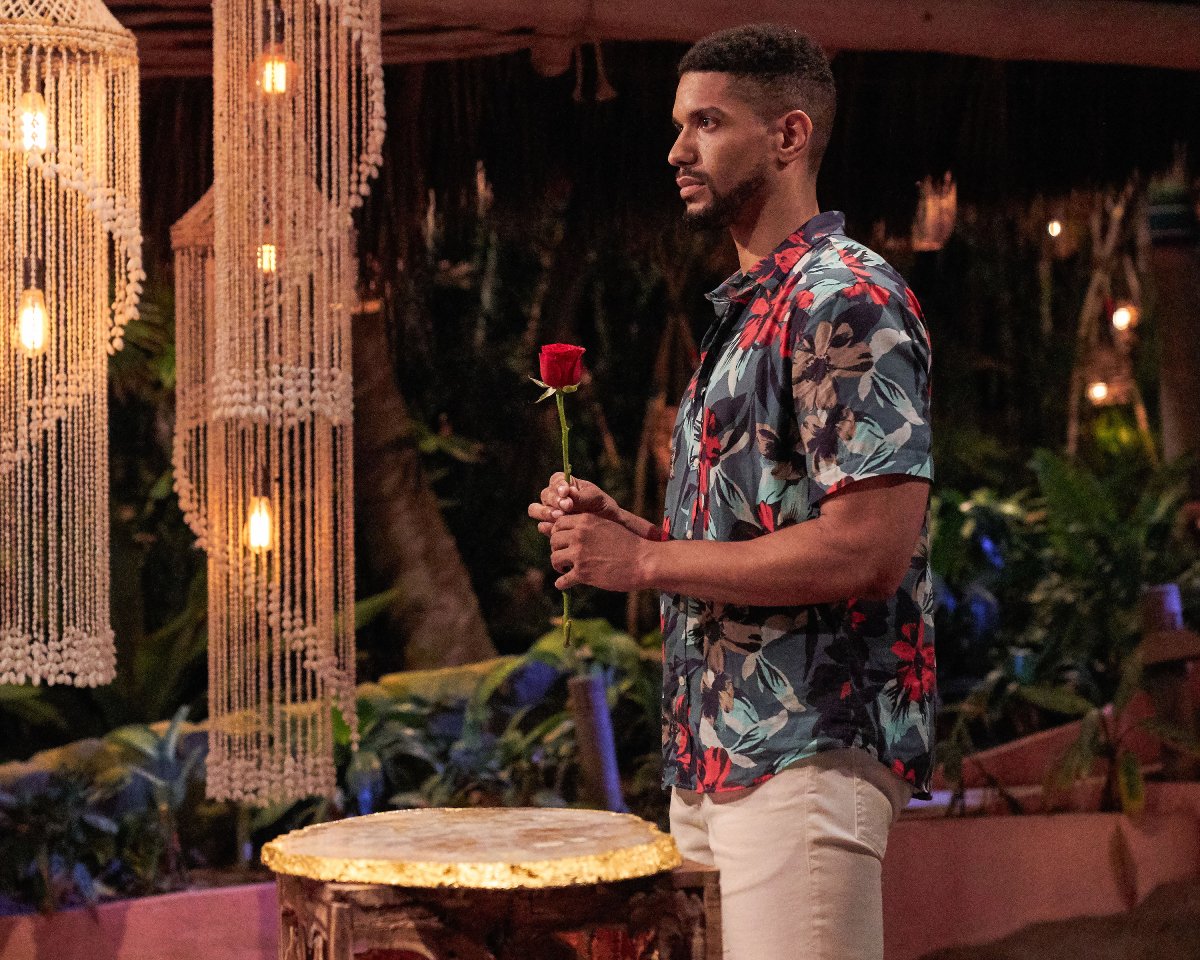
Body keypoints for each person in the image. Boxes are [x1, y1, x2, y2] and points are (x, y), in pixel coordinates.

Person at [529, 23, 935, 960]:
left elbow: (868, 548)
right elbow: (762, 535)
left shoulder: (845, 297)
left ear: (788, 136)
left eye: (707, 123)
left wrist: (648, 564)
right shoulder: (752, 308)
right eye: (679, 125)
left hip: (805, 747)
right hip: (716, 756)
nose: (678, 150)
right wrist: (638, 537)